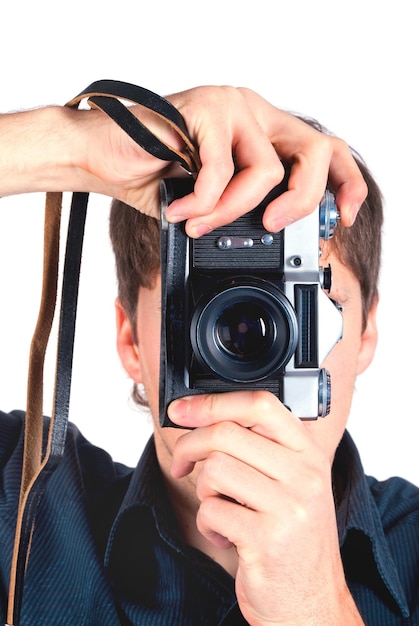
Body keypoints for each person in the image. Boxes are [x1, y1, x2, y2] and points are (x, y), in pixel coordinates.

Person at [0, 84, 416, 625]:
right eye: (209, 307)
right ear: (131, 340)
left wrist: (318, 609)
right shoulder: (24, 503)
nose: (254, 376)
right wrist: (72, 145)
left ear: (362, 334)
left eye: (308, 311)